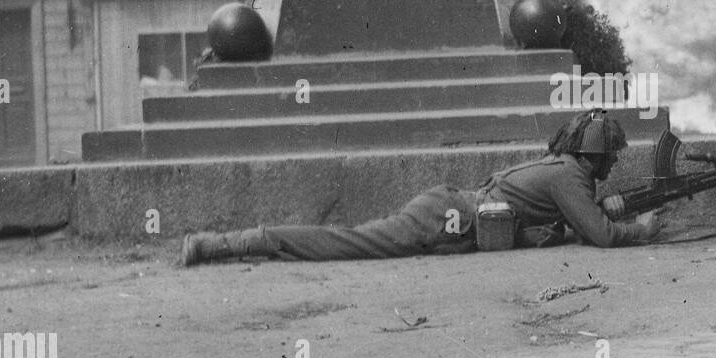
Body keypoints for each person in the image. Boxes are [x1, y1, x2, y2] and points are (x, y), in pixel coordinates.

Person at [179, 110, 662, 265]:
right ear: (594, 154)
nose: (615, 160)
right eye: (612, 153)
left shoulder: (564, 170)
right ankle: (230, 243)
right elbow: (599, 235)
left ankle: (229, 243)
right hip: (448, 219)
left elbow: (576, 221)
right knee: (349, 243)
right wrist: (639, 230)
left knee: (351, 240)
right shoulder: (568, 175)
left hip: (455, 211)